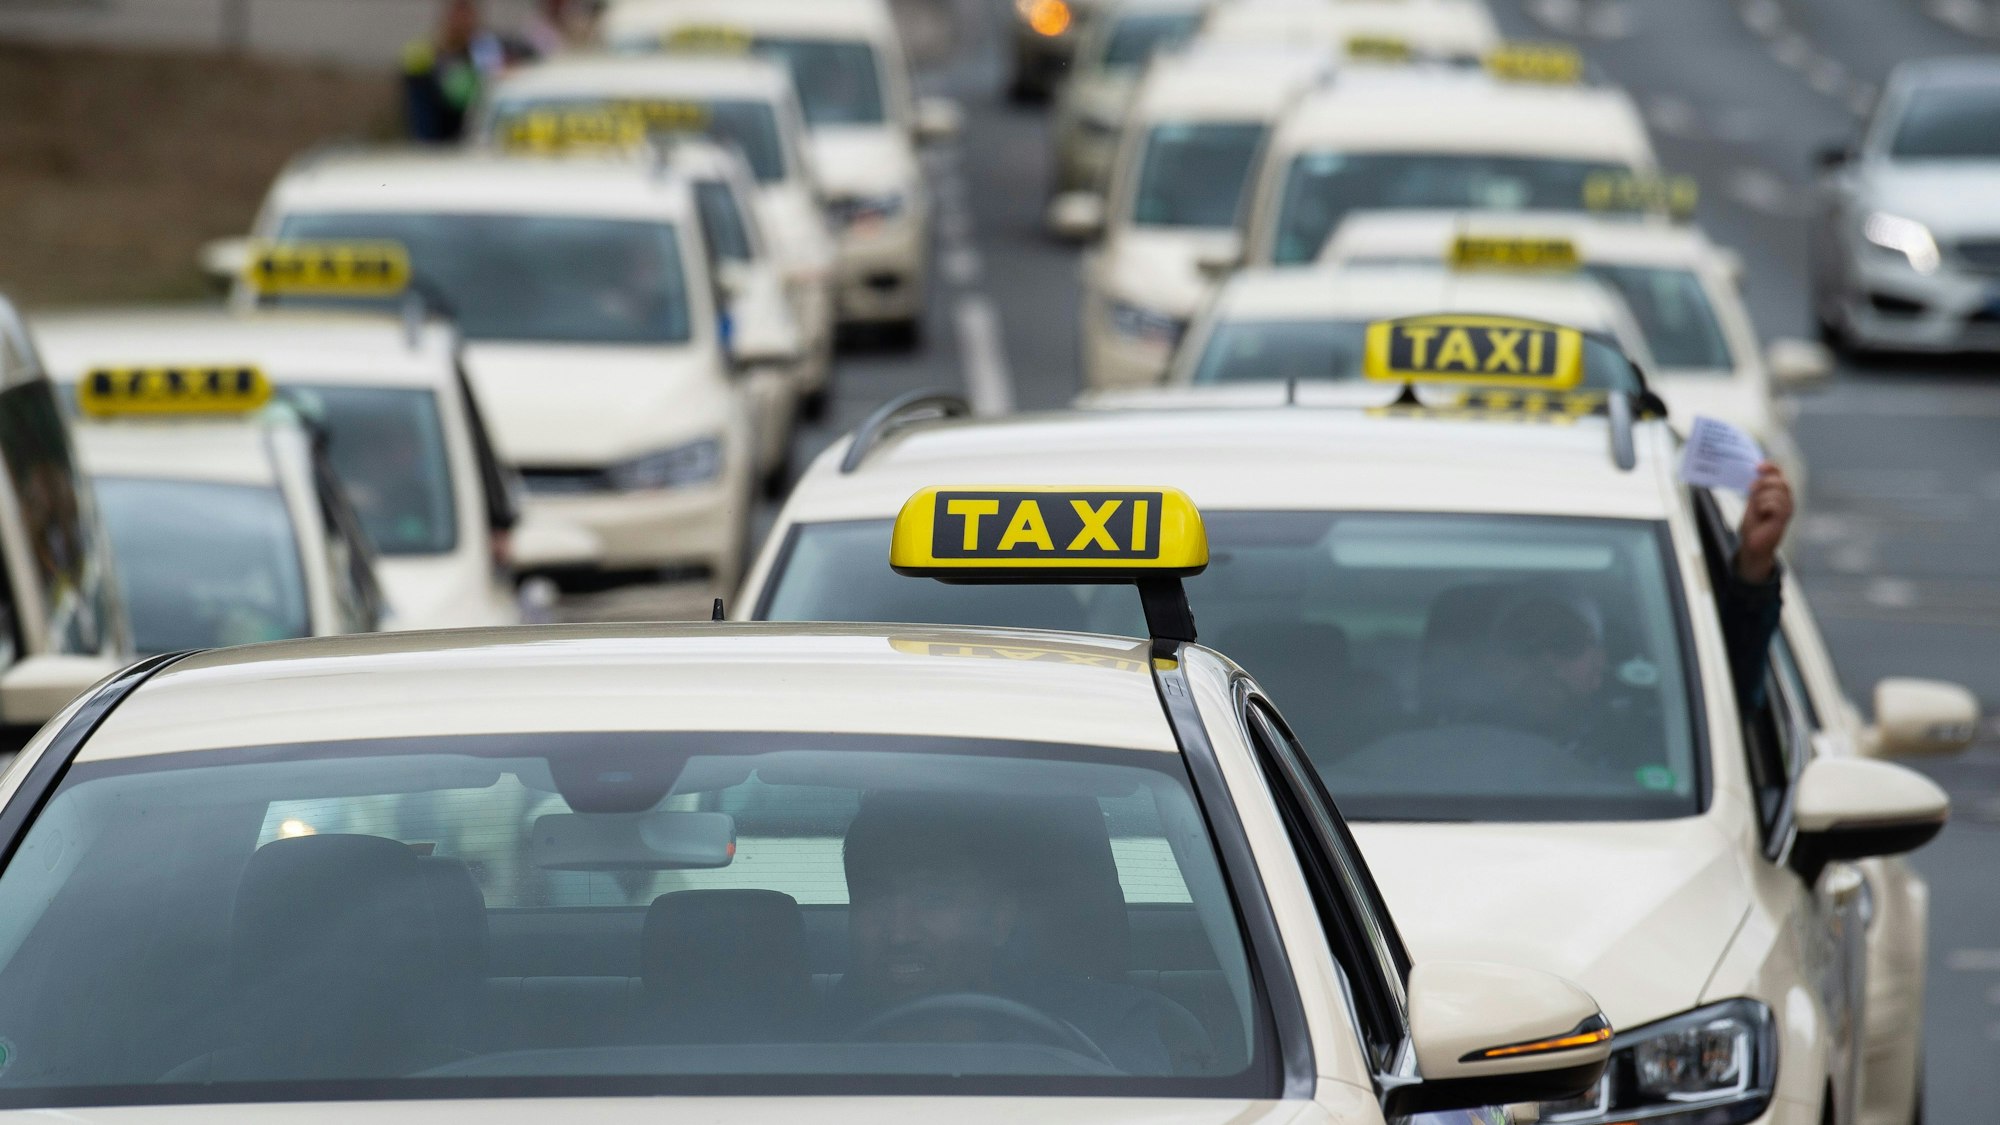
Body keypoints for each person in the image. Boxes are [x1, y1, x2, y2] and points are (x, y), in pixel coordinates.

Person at [829, 793, 1211, 1075]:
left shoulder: (1107, 1031)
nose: (899, 932)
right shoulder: (795, 1038)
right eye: (873, 898)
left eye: (933, 899)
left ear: (999, 919)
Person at [402, 0, 529, 142]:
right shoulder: (425, 55)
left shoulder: (482, 49)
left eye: (467, 17)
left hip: (470, 138)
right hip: (436, 137)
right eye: (458, 16)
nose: (463, 23)